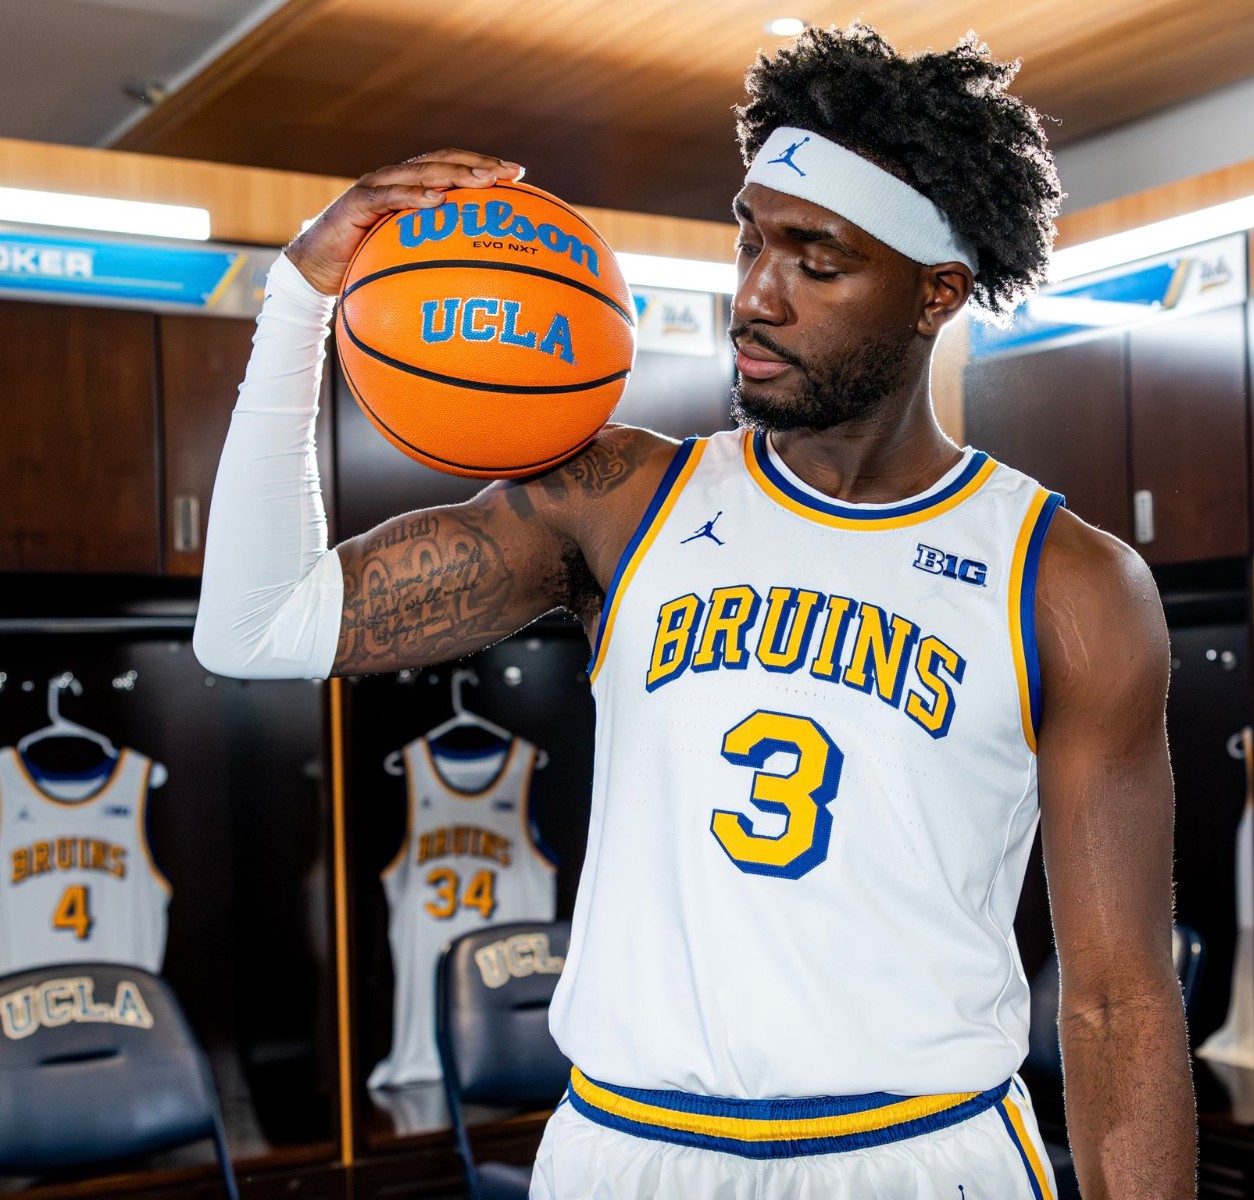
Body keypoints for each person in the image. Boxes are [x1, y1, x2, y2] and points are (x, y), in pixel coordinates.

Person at [195, 22, 1196, 1199]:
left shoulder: (1064, 581)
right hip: (627, 1148)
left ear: (936, 293)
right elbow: (254, 626)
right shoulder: (618, 499)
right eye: (750, 240)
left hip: (921, 1153)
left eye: (816, 261)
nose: (756, 297)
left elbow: (1118, 1001)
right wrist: (300, 297)